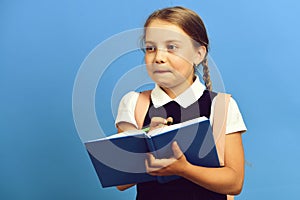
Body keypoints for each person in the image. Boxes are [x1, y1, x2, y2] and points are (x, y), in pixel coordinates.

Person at [114, 6, 247, 200]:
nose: (158, 57)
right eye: (151, 48)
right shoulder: (134, 103)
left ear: (198, 54)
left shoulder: (222, 106)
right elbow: (121, 182)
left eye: (172, 47)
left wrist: (185, 169)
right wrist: (144, 139)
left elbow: (234, 183)